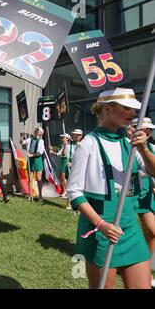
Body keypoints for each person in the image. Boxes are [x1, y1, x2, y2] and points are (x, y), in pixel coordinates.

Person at [67, 87, 155, 289]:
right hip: (100, 228)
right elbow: (74, 192)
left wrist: (142, 148)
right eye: (127, 108)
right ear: (107, 109)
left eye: (134, 110)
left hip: (129, 224)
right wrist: (100, 224)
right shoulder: (87, 144)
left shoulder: (129, 143)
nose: (133, 114)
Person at [129, 117, 155, 288]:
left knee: (152, 233)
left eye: (150, 129)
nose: (149, 132)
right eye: (146, 128)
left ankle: (147, 269)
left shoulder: (152, 147)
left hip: (147, 194)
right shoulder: (126, 144)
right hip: (130, 195)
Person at [21, 127, 45, 202]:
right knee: (30, 178)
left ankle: (40, 195)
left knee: (39, 179)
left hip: (37, 160)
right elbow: (21, 142)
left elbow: (40, 152)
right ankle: (30, 194)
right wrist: (22, 136)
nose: (35, 131)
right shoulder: (30, 139)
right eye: (35, 130)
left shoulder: (41, 141)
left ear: (40, 133)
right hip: (30, 160)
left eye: (37, 130)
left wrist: (31, 155)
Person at [50, 133, 75, 206]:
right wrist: (53, 151)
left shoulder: (71, 146)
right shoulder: (64, 146)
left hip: (68, 162)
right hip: (64, 161)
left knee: (64, 177)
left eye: (63, 138)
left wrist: (71, 162)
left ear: (67, 139)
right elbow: (59, 153)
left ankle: (67, 191)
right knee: (62, 177)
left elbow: (64, 154)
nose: (62, 139)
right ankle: (66, 190)